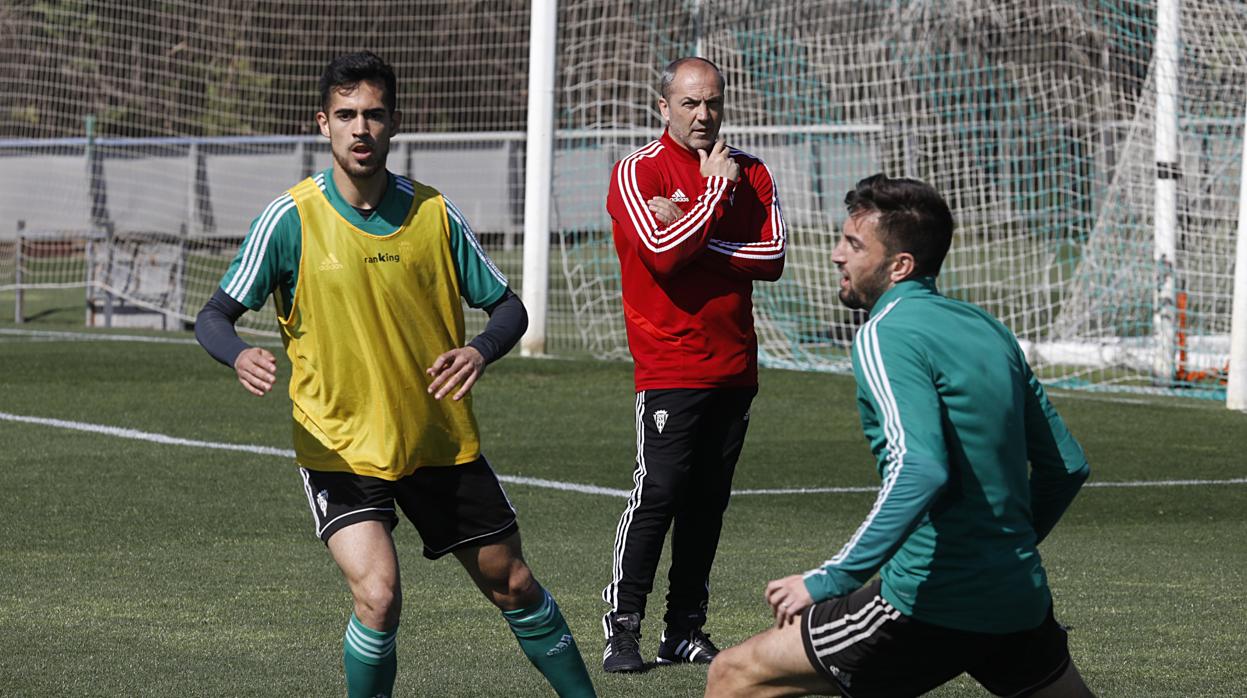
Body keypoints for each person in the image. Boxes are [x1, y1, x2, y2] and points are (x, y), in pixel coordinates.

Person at [194, 51, 595, 698]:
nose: (361, 128)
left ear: (394, 124)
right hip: (339, 447)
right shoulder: (290, 219)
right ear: (321, 124)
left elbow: (507, 307)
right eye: (346, 115)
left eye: (374, 115)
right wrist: (239, 353)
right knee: (378, 596)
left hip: (436, 439)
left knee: (513, 584)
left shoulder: (434, 214)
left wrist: (480, 351)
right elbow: (213, 316)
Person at [704, 174, 1095, 698]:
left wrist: (829, 580)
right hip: (1016, 597)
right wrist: (1004, 549)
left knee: (734, 674)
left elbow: (920, 466)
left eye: (853, 243)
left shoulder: (884, 333)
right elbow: (1067, 467)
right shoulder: (988, 328)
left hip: (927, 602)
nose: (836, 254)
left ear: (900, 266)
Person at [600, 56, 787, 673]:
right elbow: (659, 254)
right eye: (689, 103)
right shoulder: (637, 171)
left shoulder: (753, 171)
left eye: (712, 102)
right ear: (664, 107)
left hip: (735, 366)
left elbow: (774, 256)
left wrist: (693, 228)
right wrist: (713, 194)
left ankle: (683, 630)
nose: (703, 114)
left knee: (707, 503)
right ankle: (622, 629)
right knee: (658, 494)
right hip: (670, 364)